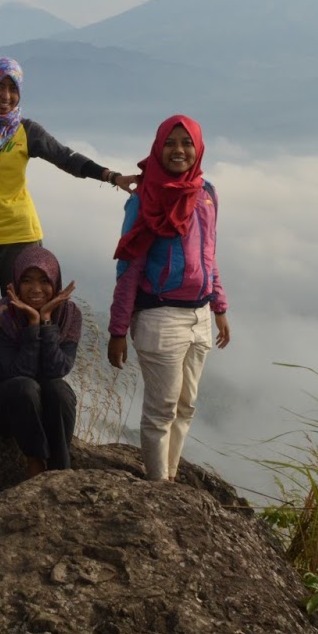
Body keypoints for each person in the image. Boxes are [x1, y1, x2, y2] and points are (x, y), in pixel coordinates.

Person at [0, 57, 137, 381]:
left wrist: (111, 176)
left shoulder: (25, 131)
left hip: (20, 234)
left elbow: (66, 158)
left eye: (12, 88)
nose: (6, 95)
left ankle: (22, 381)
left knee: (25, 311)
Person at [106, 115, 231, 482]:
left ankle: (170, 480)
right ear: (158, 148)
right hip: (159, 317)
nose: (178, 150)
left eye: (186, 143)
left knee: (186, 406)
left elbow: (209, 254)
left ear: (198, 148)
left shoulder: (206, 193)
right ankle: (158, 486)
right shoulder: (144, 198)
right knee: (161, 409)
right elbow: (128, 267)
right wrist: (117, 329)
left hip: (200, 315)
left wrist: (219, 306)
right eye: (170, 143)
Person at [0, 247, 80, 476]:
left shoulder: (68, 315)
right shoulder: (0, 314)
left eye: (44, 280)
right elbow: (20, 372)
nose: (36, 289)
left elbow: (57, 369)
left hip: (36, 406)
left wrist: (46, 322)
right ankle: (35, 465)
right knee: (24, 386)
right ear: (16, 282)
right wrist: (32, 326)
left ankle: (60, 469)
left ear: (55, 282)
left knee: (60, 390)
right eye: (27, 280)